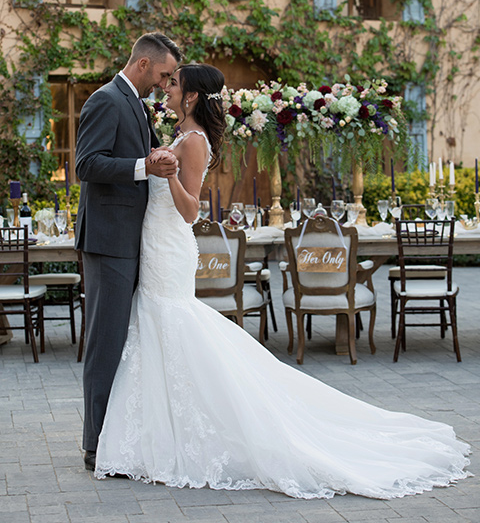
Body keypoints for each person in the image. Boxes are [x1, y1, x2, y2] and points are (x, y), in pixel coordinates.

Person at [94, 63, 470, 499]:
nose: (167, 89)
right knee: (161, 329)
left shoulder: (193, 143)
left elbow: (191, 211)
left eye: (173, 84)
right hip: (156, 245)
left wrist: (171, 173)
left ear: (192, 96)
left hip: (170, 245)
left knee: (172, 325)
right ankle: (158, 431)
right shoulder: (181, 137)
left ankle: (182, 432)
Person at [75, 32, 182, 472]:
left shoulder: (134, 102)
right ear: (142, 65)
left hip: (130, 240)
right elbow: (86, 163)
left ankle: (117, 435)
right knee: (105, 341)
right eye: (162, 74)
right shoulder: (106, 100)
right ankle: (95, 445)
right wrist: (144, 166)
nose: (163, 82)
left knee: (125, 340)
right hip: (108, 241)